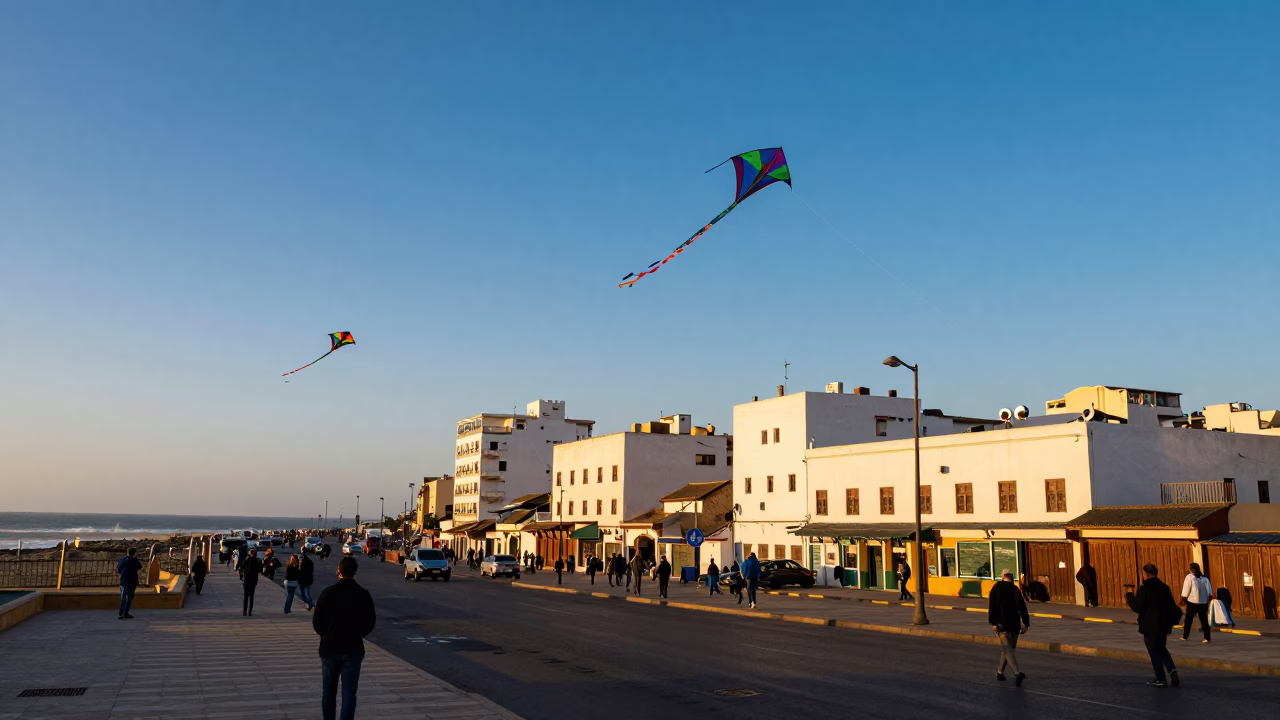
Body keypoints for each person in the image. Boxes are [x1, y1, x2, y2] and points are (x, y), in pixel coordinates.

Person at [313, 557, 376, 720]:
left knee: (328, 692)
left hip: (329, 648)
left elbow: (317, 622)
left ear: (338, 570)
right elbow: (370, 621)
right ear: (355, 572)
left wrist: (325, 634)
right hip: (353, 648)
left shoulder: (327, 593)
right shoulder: (362, 594)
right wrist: (358, 634)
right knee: (349, 693)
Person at [1126, 563, 1181, 687]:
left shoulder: (1144, 589)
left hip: (1149, 626)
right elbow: (1171, 606)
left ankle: (1161, 678)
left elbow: (1137, 607)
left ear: (1145, 574)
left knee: (1154, 651)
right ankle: (1172, 669)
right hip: (1163, 625)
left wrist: (1129, 594)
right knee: (1161, 648)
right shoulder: (1165, 587)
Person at [988, 569, 1030, 686]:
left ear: (1002, 577)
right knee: (1008, 649)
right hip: (1014, 625)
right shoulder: (1015, 589)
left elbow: (992, 606)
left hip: (1002, 624)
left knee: (1007, 649)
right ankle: (1006, 673)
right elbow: (1022, 607)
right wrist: (1026, 624)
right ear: (1011, 578)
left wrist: (993, 622)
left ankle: (1011, 673)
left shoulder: (996, 588)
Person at [1180, 562, 1213, 643]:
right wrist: (1208, 599)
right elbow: (1209, 591)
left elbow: (1186, 588)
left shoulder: (1190, 577)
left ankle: (1185, 636)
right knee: (1204, 620)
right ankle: (1207, 637)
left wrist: (1183, 597)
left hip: (1192, 601)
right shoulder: (1204, 578)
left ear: (1192, 569)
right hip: (1203, 602)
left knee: (1189, 619)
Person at [116, 547, 143, 620]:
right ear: (134, 553)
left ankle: (121, 613)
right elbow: (139, 567)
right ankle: (125, 613)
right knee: (129, 597)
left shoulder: (122, 560)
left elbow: (118, 570)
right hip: (132, 581)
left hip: (123, 581)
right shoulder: (134, 560)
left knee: (123, 597)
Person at [241, 548, 263, 616]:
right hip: (253, 580)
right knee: (251, 596)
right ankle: (249, 611)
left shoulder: (247, 560)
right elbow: (260, 570)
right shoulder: (257, 560)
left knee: (245, 596)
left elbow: (242, 567)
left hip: (247, 579)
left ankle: (244, 611)